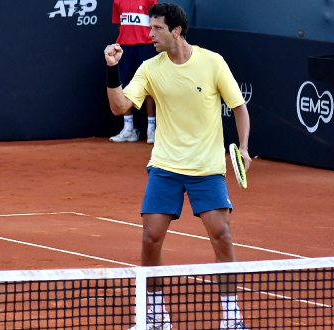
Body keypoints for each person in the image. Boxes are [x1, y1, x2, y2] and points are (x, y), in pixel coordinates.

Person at [104, 3, 251, 330]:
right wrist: (112, 69)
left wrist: (242, 147)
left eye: (156, 28)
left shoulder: (212, 63)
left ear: (176, 31)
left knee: (222, 236)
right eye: (149, 27)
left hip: (206, 168)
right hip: (166, 166)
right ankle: (155, 317)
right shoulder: (149, 68)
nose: (149, 34)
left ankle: (231, 317)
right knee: (150, 239)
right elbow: (120, 107)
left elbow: (239, 107)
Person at [109, 0, 158, 143]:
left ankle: (152, 129)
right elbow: (120, 24)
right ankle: (129, 129)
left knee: (148, 86)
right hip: (125, 47)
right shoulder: (118, 1)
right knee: (124, 86)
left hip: (146, 47)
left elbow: (156, 22)